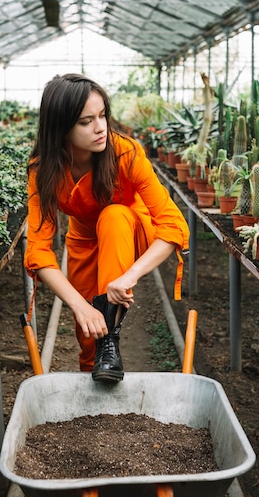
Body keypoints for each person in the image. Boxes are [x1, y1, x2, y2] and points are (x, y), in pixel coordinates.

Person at [24, 73, 190, 382]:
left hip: (130, 228)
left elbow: (173, 225)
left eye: (102, 116)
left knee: (113, 216)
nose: (100, 127)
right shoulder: (43, 170)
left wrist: (128, 276)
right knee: (88, 334)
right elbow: (38, 250)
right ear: (61, 128)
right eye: (86, 122)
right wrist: (78, 305)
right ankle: (95, 389)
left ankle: (109, 339)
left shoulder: (125, 152)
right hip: (83, 238)